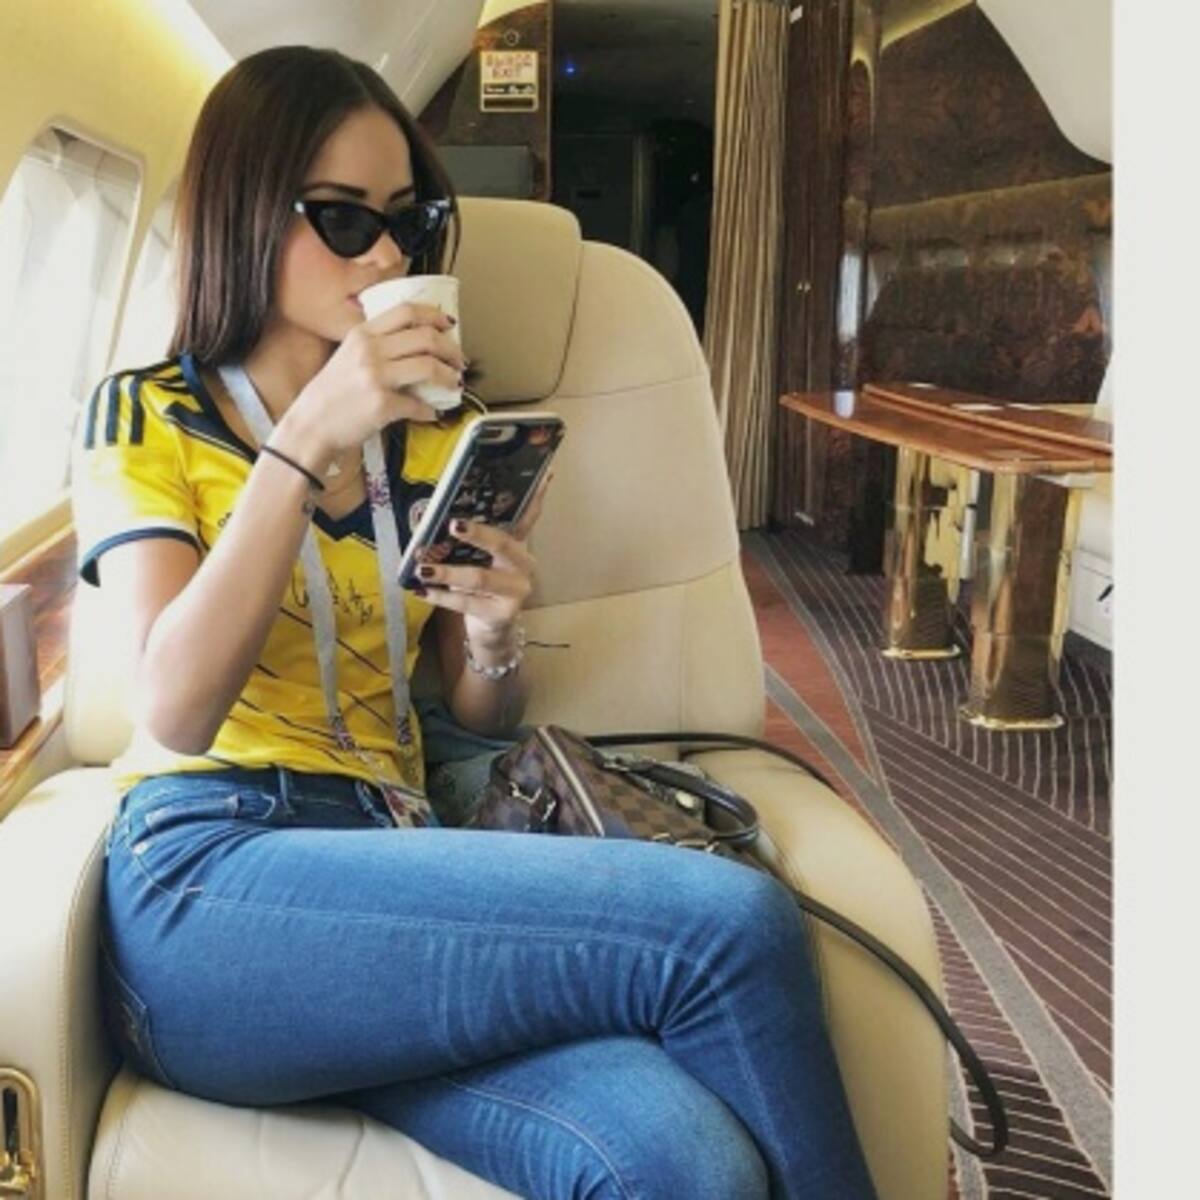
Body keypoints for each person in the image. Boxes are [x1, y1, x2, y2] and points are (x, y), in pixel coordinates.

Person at [76, 46, 877, 1200]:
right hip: (212, 879)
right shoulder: (146, 413)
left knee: (682, 1161)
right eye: (342, 218)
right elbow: (176, 707)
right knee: (728, 926)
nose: (388, 258)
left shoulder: (443, 439)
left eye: (410, 222)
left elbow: (479, 716)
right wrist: (307, 440)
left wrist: (497, 635)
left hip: (402, 860)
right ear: (242, 211)